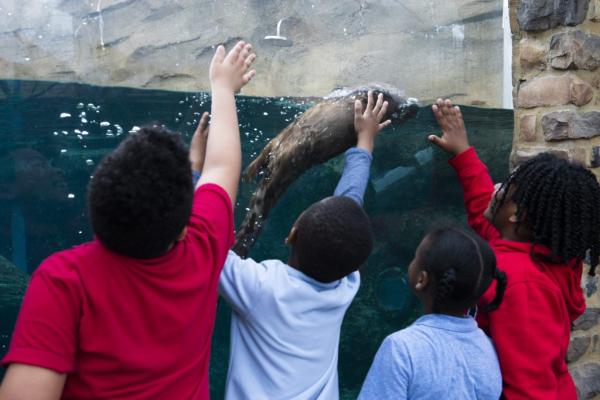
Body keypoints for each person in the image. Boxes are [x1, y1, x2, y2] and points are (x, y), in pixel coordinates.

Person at [0, 41, 256, 400]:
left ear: (94, 208)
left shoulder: (64, 280)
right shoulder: (201, 248)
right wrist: (223, 88)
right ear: (183, 226)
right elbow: (222, 168)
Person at [191, 91, 390, 399]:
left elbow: (205, 241)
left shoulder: (259, 288)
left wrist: (197, 170)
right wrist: (364, 143)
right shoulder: (345, 285)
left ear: (291, 234)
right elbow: (349, 205)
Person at [428, 98, 600, 399]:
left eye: (505, 187)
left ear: (516, 216)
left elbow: (529, 388)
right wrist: (463, 151)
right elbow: (485, 206)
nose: (497, 187)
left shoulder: (521, 284)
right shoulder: (527, 249)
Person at [359, 227, 505, 399]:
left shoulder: (401, 348)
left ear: (421, 279)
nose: (412, 261)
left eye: (415, 257)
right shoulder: (490, 349)